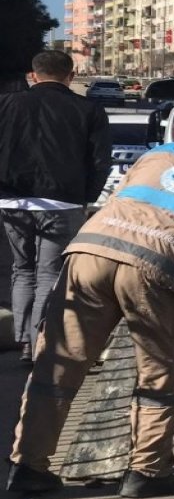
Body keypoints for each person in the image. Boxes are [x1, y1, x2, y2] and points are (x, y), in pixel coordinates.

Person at [7, 119, 174, 499]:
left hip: (91, 251)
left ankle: (27, 465)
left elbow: (125, 196)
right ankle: (146, 472)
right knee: (159, 373)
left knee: (58, 362)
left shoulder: (162, 153)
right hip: (164, 267)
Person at [0, 50, 111, 362]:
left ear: (33, 75)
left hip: (13, 200)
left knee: (21, 269)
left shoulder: (6, 104)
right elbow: (100, 160)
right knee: (49, 272)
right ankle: (40, 345)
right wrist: (87, 196)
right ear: (71, 76)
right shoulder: (88, 109)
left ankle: (23, 341)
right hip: (63, 202)